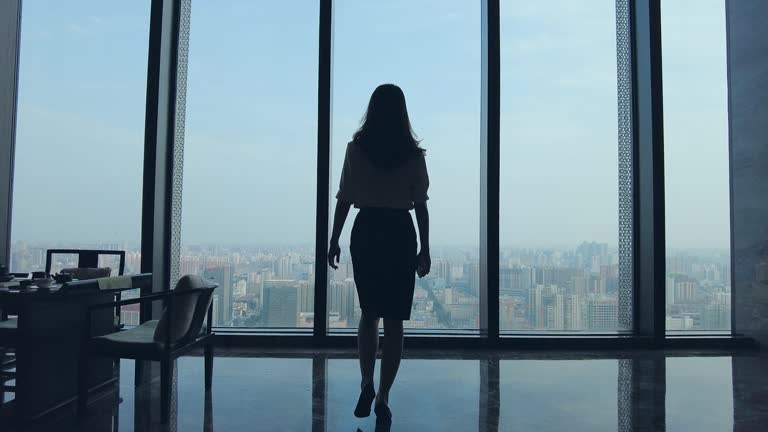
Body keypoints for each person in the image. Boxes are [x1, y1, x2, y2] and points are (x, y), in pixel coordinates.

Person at [328, 83, 431, 429]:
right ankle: (384, 396)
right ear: (402, 112)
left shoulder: (356, 150)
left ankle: (366, 383)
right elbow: (421, 207)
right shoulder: (414, 155)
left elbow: (344, 197)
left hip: (368, 230)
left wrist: (334, 239)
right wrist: (425, 248)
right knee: (395, 320)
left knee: (369, 312)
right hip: (400, 233)